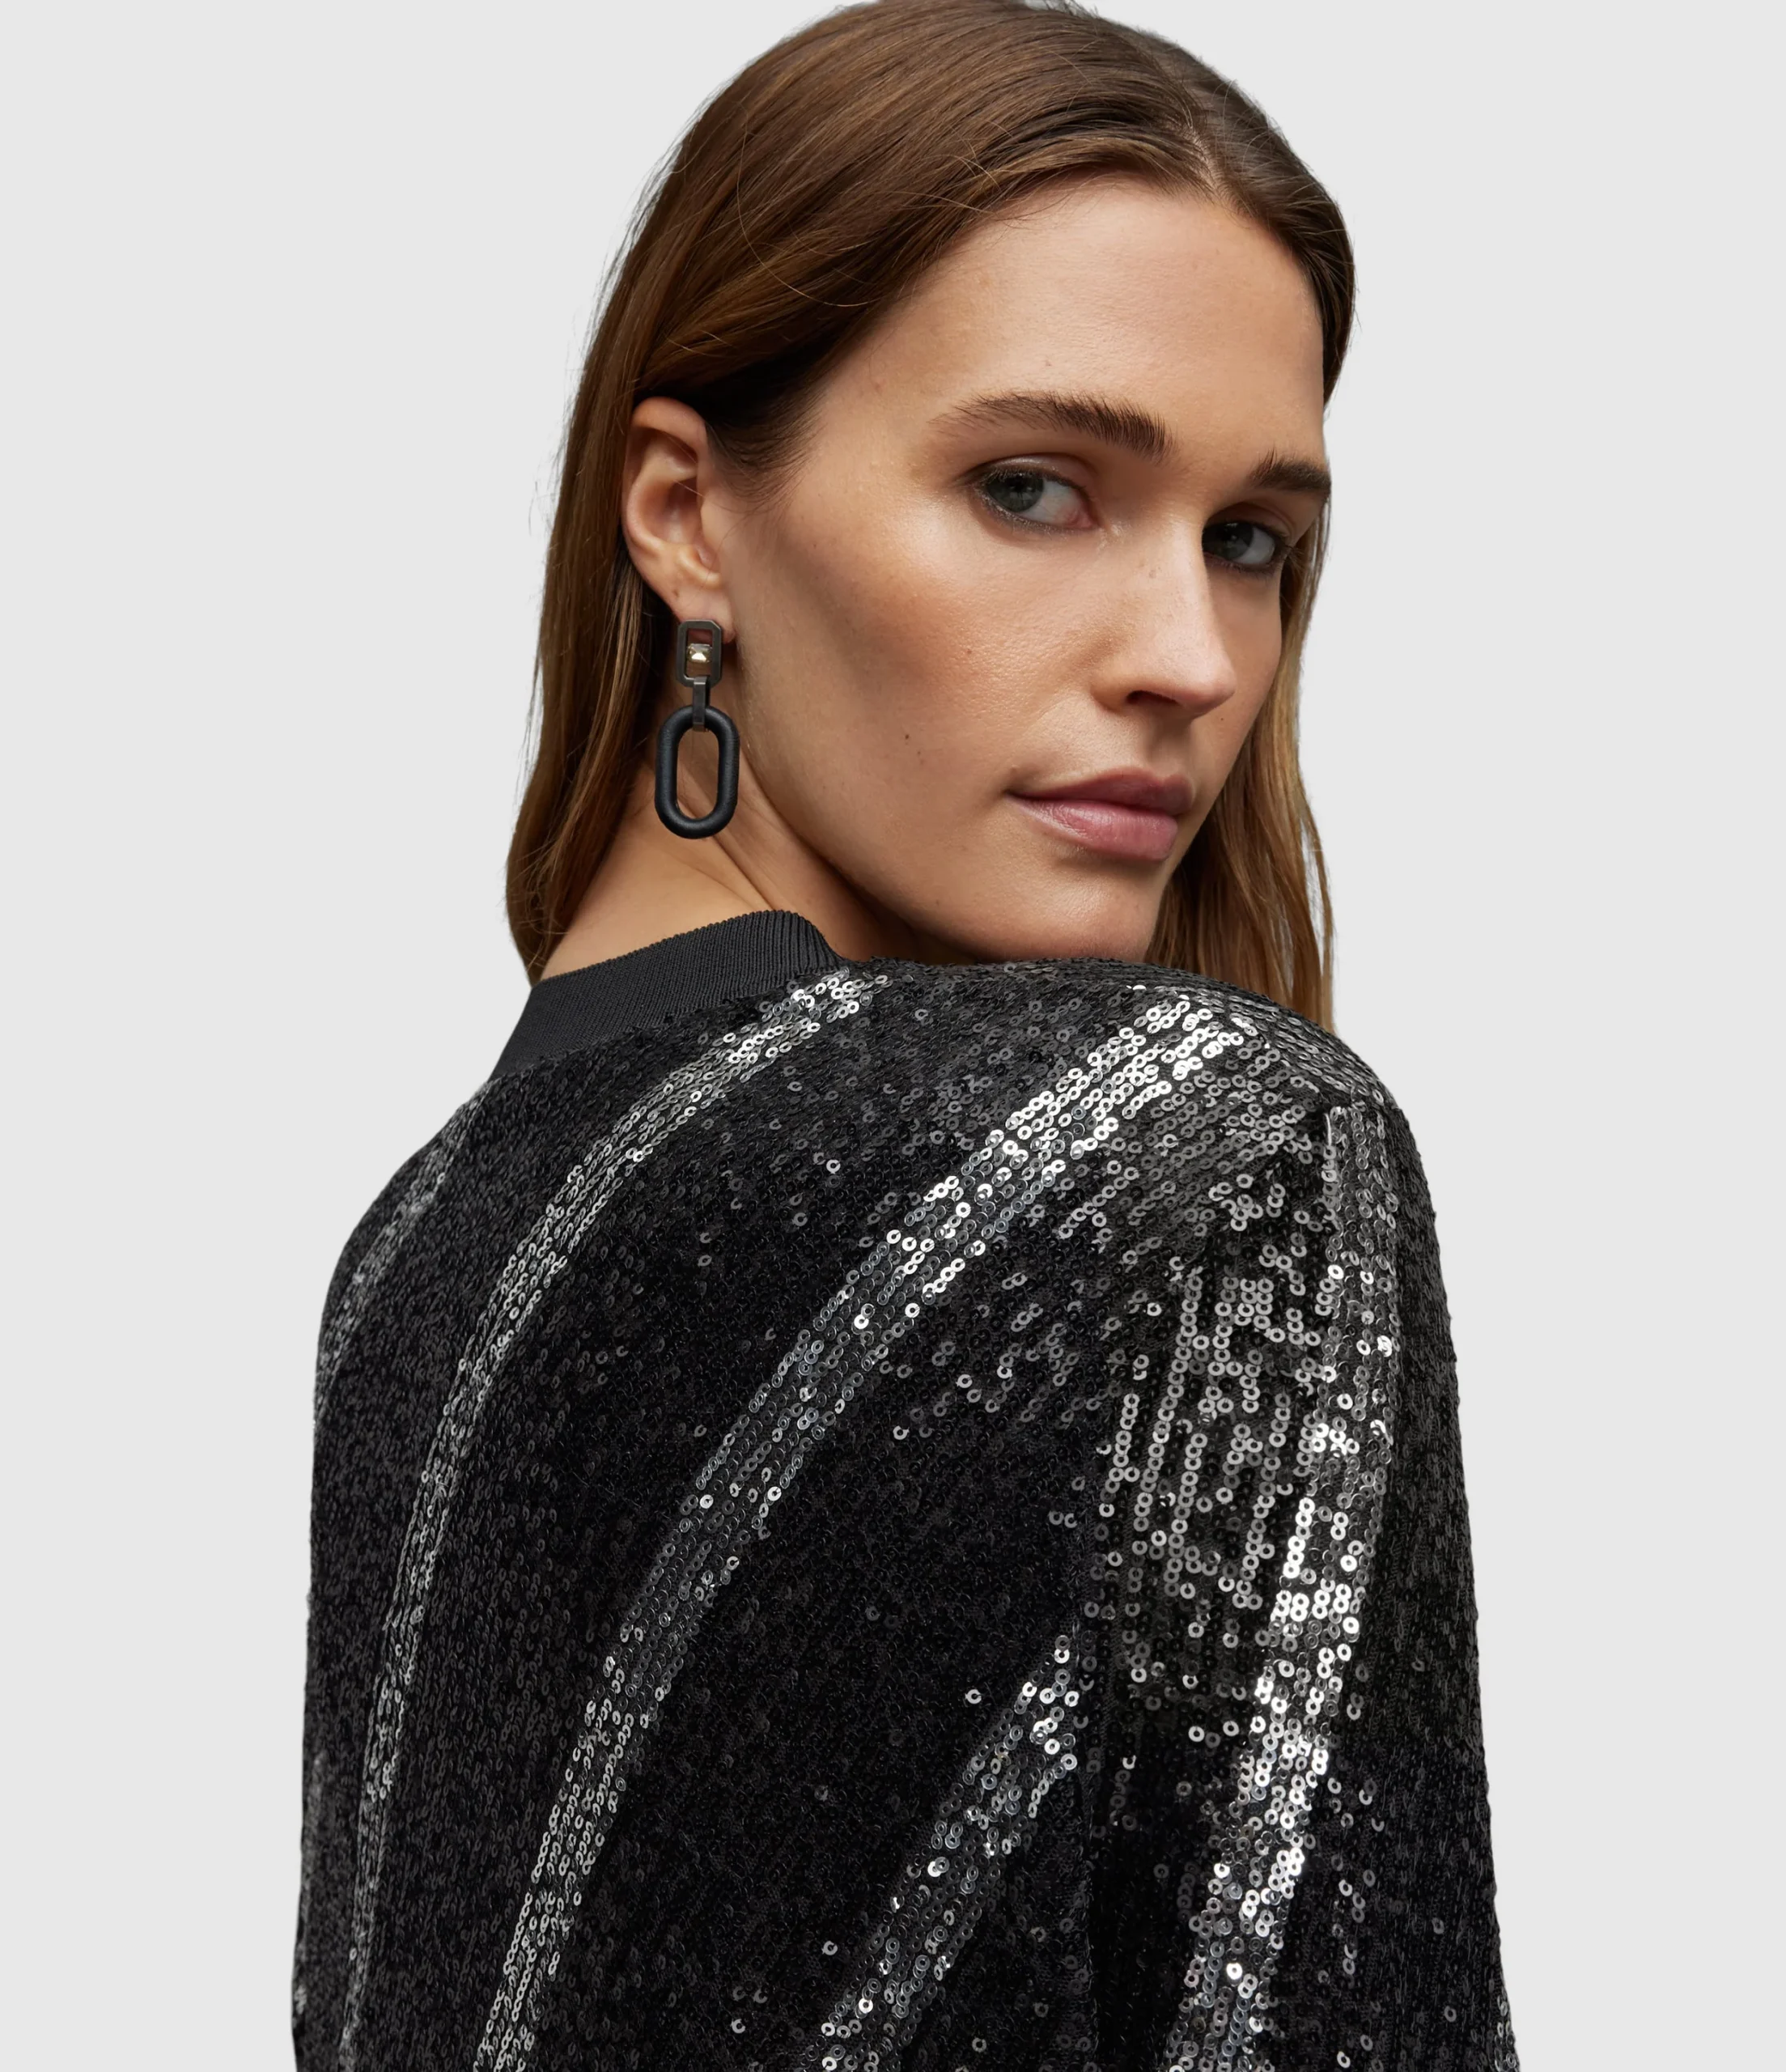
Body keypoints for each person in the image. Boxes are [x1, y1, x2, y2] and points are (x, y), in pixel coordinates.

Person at [295, 3, 1517, 2066]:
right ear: (686, 513)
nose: (1190, 657)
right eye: (1031, 488)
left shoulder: (412, 1265)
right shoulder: (1198, 1149)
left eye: (1249, 539)